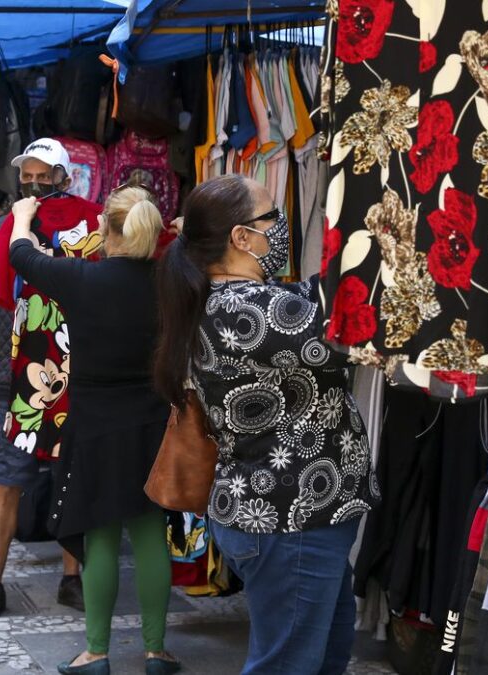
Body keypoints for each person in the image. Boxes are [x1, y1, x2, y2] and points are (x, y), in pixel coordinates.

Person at [153, 175, 378, 674]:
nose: (280, 228)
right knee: (288, 664)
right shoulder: (248, 309)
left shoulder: (239, 300)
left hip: (290, 513)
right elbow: (353, 317)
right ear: (240, 237)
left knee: (320, 654)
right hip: (289, 516)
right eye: (271, 218)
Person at [9, 187, 178, 675]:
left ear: (105, 230)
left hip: (94, 426)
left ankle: (96, 653)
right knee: (149, 535)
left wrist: (23, 215)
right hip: (151, 423)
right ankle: (155, 652)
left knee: (100, 535)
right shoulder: (169, 279)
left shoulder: (82, 278)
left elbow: (21, 255)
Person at [0, 138, 100, 621]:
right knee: (8, 482)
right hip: (5, 378)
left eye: (46, 176)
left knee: (70, 478)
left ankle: (72, 576)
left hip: (72, 373)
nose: (37, 184)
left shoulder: (88, 230)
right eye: (29, 176)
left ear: (65, 178)